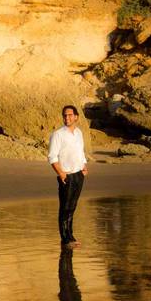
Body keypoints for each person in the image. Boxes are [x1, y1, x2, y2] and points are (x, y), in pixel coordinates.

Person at [47, 105, 88, 248]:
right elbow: (52, 156)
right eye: (65, 115)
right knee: (65, 207)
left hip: (79, 174)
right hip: (66, 176)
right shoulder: (58, 134)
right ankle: (65, 239)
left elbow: (80, 151)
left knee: (72, 207)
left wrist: (84, 166)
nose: (67, 118)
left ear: (76, 116)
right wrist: (61, 173)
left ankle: (70, 235)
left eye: (70, 115)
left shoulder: (79, 133)